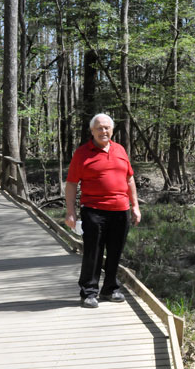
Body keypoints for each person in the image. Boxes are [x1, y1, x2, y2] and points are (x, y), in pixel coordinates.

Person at [65, 113, 141, 308]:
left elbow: (129, 179)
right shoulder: (82, 153)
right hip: (94, 210)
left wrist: (135, 206)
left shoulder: (120, 150)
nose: (103, 131)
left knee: (116, 251)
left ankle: (110, 289)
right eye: (99, 128)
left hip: (120, 209)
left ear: (112, 130)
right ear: (92, 131)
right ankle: (89, 292)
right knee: (93, 251)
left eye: (107, 127)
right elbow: (72, 183)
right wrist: (70, 212)